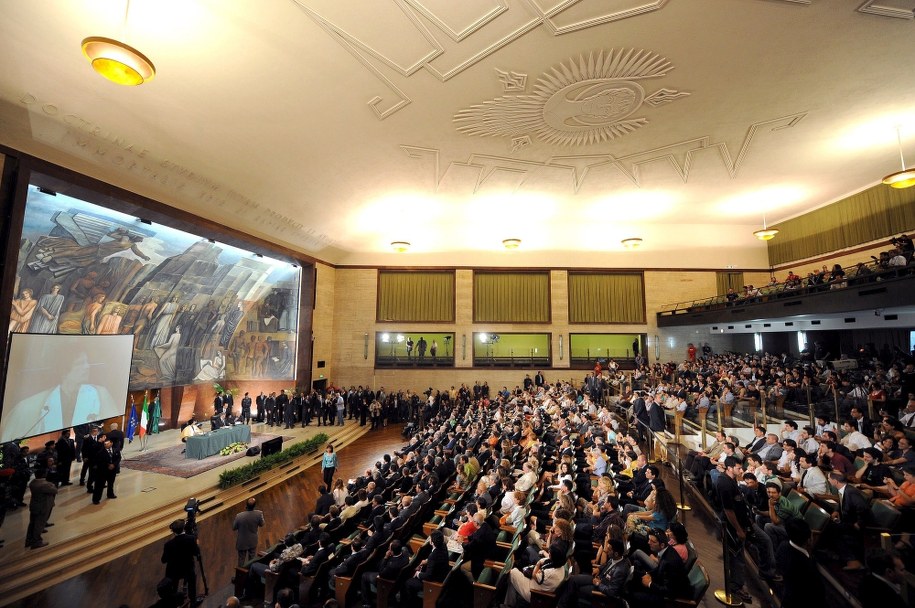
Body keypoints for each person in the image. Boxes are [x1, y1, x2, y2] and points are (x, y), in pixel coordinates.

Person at [1, 351, 116, 442]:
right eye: (80, 363)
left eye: (86, 362)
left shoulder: (100, 393)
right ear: (64, 371)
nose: (87, 367)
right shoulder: (29, 406)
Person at [505, 542, 569, 607]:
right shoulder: (560, 566)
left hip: (535, 593)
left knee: (512, 572)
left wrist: (538, 564)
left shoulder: (549, 573)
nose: (548, 554)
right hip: (540, 586)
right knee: (513, 580)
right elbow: (545, 561)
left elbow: (534, 574)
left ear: (554, 557)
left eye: (550, 553)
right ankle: (509, 603)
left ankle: (509, 603)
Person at [161, 520, 200, 606]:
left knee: (173, 587)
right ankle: (193, 602)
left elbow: (163, 560)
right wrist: (197, 545)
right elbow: (196, 553)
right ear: (183, 528)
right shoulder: (191, 539)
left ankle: (174, 603)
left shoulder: (168, 545)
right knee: (192, 584)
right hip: (188, 568)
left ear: (173, 531)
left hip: (174, 571)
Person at [25, 469, 57, 549]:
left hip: (34, 506)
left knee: (32, 524)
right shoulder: (45, 485)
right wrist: (51, 484)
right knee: (39, 525)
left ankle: (28, 540)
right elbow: (55, 490)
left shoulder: (32, 483)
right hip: (42, 507)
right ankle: (36, 542)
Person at [233, 497, 265, 567]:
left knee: (241, 560)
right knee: (252, 560)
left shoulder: (239, 516)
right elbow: (262, 524)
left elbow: (234, 527)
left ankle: (241, 575)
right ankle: (250, 574)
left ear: (246, 506)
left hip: (242, 542)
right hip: (253, 540)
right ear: (254, 506)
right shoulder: (259, 514)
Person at [91, 437, 120, 504]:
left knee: (111, 483)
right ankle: (96, 499)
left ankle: (110, 494)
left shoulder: (115, 450)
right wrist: (108, 465)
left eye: (107, 443)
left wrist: (114, 465)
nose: (106, 445)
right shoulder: (100, 452)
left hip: (112, 471)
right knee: (99, 485)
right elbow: (98, 461)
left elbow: (118, 458)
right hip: (102, 471)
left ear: (111, 443)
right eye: (105, 444)